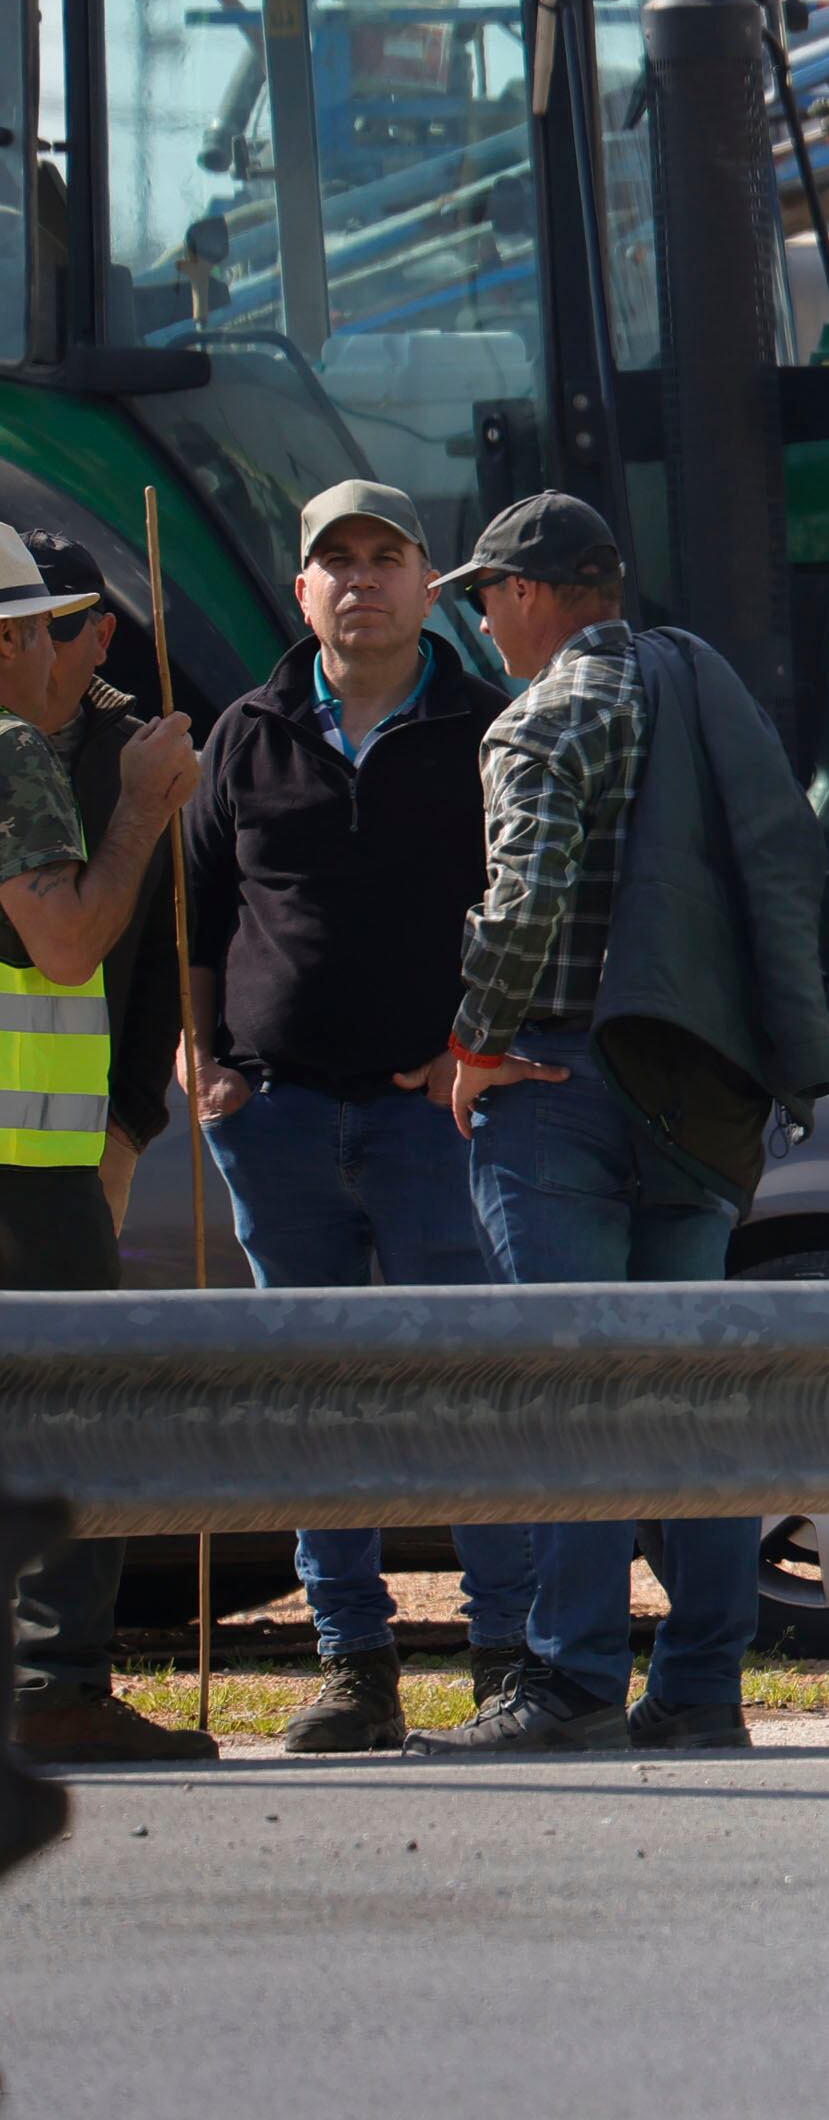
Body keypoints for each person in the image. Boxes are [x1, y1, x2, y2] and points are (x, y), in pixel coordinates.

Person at [404, 493, 829, 1758]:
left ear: (542, 593)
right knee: (686, 1405)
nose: (484, 618)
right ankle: (703, 1686)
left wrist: (478, 1044)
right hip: (702, 1091)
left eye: (489, 592)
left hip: (560, 1090)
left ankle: (571, 1680)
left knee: (573, 1398)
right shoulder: (711, 698)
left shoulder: (543, 717)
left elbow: (528, 891)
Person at [180, 482, 535, 1755]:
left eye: (387, 557)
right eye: (338, 562)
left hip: (432, 1120)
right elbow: (203, 908)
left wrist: (469, 1047)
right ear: (303, 592)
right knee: (310, 1398)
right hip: (273, 1120)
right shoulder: (246, 731)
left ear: (428, 583)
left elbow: (525, 908)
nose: (363, 581)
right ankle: (355, 1663)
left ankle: (507, 1656)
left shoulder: (487, 726)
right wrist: (203, 1057)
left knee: (464, 1389)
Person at [0, 525, 210, 1766]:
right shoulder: (14, 748)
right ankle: (55, 1684)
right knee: (81, 1410)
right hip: (24, 1166)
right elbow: (69, 942)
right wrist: (136, 809)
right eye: (33, 630)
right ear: (15, 638)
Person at [22, 533, 181, 1228]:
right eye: (17, 627)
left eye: (56, 627)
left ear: (103, 634)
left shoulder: (147, 766)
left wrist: (128, 1134)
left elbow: (163, 963)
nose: (37, 649)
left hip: (78, 1155)